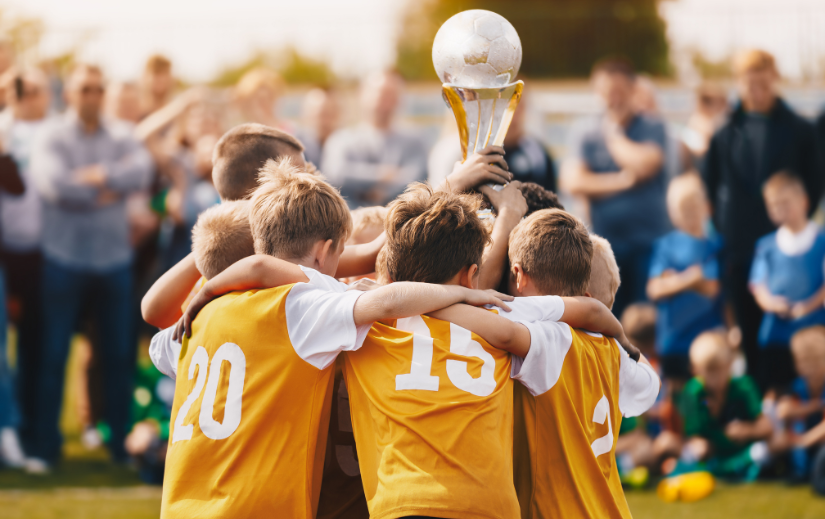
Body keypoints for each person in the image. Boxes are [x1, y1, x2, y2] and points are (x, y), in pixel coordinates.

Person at [150, 159, 515, 517]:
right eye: (339, 253)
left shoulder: (196, 320)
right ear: (325, 251)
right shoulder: (302, 305)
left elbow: (156, 332)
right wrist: (463, 294)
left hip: (182, 504)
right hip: (256, 504)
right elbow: (386, 297)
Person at [28, 64, 154, 469]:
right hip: (62, 260)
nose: (93, 97)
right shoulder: (52, 135)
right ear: (70, 94)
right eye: (85, 89)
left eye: (99, 89)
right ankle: (46, 445)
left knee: (117, 356)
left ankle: (119, 444)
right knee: (54, 355)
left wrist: (95, 178)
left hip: (113, 262)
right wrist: (109, 188)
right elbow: (54, 186)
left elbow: (141, 171)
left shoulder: (121, 135)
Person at [702, 49, 824, 382]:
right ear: (739, 84)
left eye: (763, 82)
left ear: (774, 79)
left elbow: (815, 181)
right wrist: (727, 227)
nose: (756, 90)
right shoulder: (725, 131)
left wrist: (791, 228)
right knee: (752, 331)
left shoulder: (800, 129)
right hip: (741, 248)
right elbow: (711, 184)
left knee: (798, 332)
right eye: (749, 83)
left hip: (790, 254)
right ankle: (761, 408)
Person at [561, 57, 671, 317]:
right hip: (604, 247)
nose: (614, 99)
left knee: (647, 322)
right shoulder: (584, 132)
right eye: (607, 92)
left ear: (634, 91)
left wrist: (614, 136)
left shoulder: (653, 126)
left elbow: (647, 164)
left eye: (620, 92)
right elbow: (574, 181)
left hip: (650, 244)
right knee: (609, 320)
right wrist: (623, 180)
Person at [0, 68, 50, 461]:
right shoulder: (5, 127)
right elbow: (12, 184)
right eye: (22, 91)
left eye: (36, 91)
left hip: (42, 254)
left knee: (36, 348)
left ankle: (28, 429)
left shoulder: (55, 132)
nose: (30, 97)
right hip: (5, 251)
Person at [749, 171, 825, 394]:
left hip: (814, 332)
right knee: (779, 387)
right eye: (774, 205)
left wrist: (806, 307)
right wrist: (772, 304)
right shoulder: (765, 246)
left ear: (804, 201)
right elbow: (758, 286)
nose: (780, 210)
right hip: (777, 335)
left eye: (785, 203)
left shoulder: (821, 240)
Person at [647, 174, 723, 385]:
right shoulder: (665, 246)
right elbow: (655, 288)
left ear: (706, 207)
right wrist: (692, 278)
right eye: (683, 207)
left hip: (706, 340)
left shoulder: (714, 246)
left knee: (705, 396)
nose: (690, 212)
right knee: (677, 397)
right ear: (673, 213)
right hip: (673, 340)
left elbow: (712, 288)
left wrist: (674, 280)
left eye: (694, 205)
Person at [322, 70, 427, 208]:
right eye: (380, 93)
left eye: (391, 94)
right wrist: (383, 175)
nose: (385, 100)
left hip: (398, 221)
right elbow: (335, 173)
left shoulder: (415, 140)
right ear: (362, 94)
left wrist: (384, 191)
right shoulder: (340, 139)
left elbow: (416, 179)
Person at [678, 331, 772, 480]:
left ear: (730, 365)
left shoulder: (744, 387)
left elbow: (767, 427)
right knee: (690, 453)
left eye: (719, 370)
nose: (715, 378)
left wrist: (748, 430)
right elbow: (692, 434)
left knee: (766, 449)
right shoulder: (692, 393)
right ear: (695, 370)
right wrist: (699, 444)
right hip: (713, 455)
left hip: (743, 450)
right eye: (709, 371)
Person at [775, 326, 825, 490]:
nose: (809, 367)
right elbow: (783, 411)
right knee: (793, 428)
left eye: (815, 360)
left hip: (818, 440)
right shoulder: (798, 385)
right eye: (804, 361)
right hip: (802, 437)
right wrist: (813, 407)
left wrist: (806, 440)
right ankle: (799, 471)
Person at [296, 88, 340, 167]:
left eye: (330, 114)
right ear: (305, 116)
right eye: (322, 114)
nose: (326, 121)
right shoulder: (297, 148)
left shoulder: (342, 144)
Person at [140, 55, 175, 119]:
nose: (161, 79)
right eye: (156, 73)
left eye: (165, 73)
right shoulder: (138, 111)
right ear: (146, 76)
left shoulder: (176, 109)